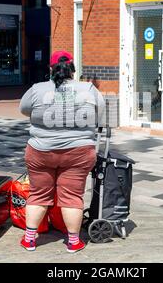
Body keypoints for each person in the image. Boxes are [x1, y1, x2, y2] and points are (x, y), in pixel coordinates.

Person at [19, 50, 105, 253]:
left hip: (41, 150)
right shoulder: (89, 88)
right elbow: (100, 113)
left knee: (38, 194)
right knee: (72, 196)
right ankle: (74, 242)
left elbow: (24, 110)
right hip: (79, 152)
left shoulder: (37, 89)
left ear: (50, 68)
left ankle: (30, 240)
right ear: (73, 69)